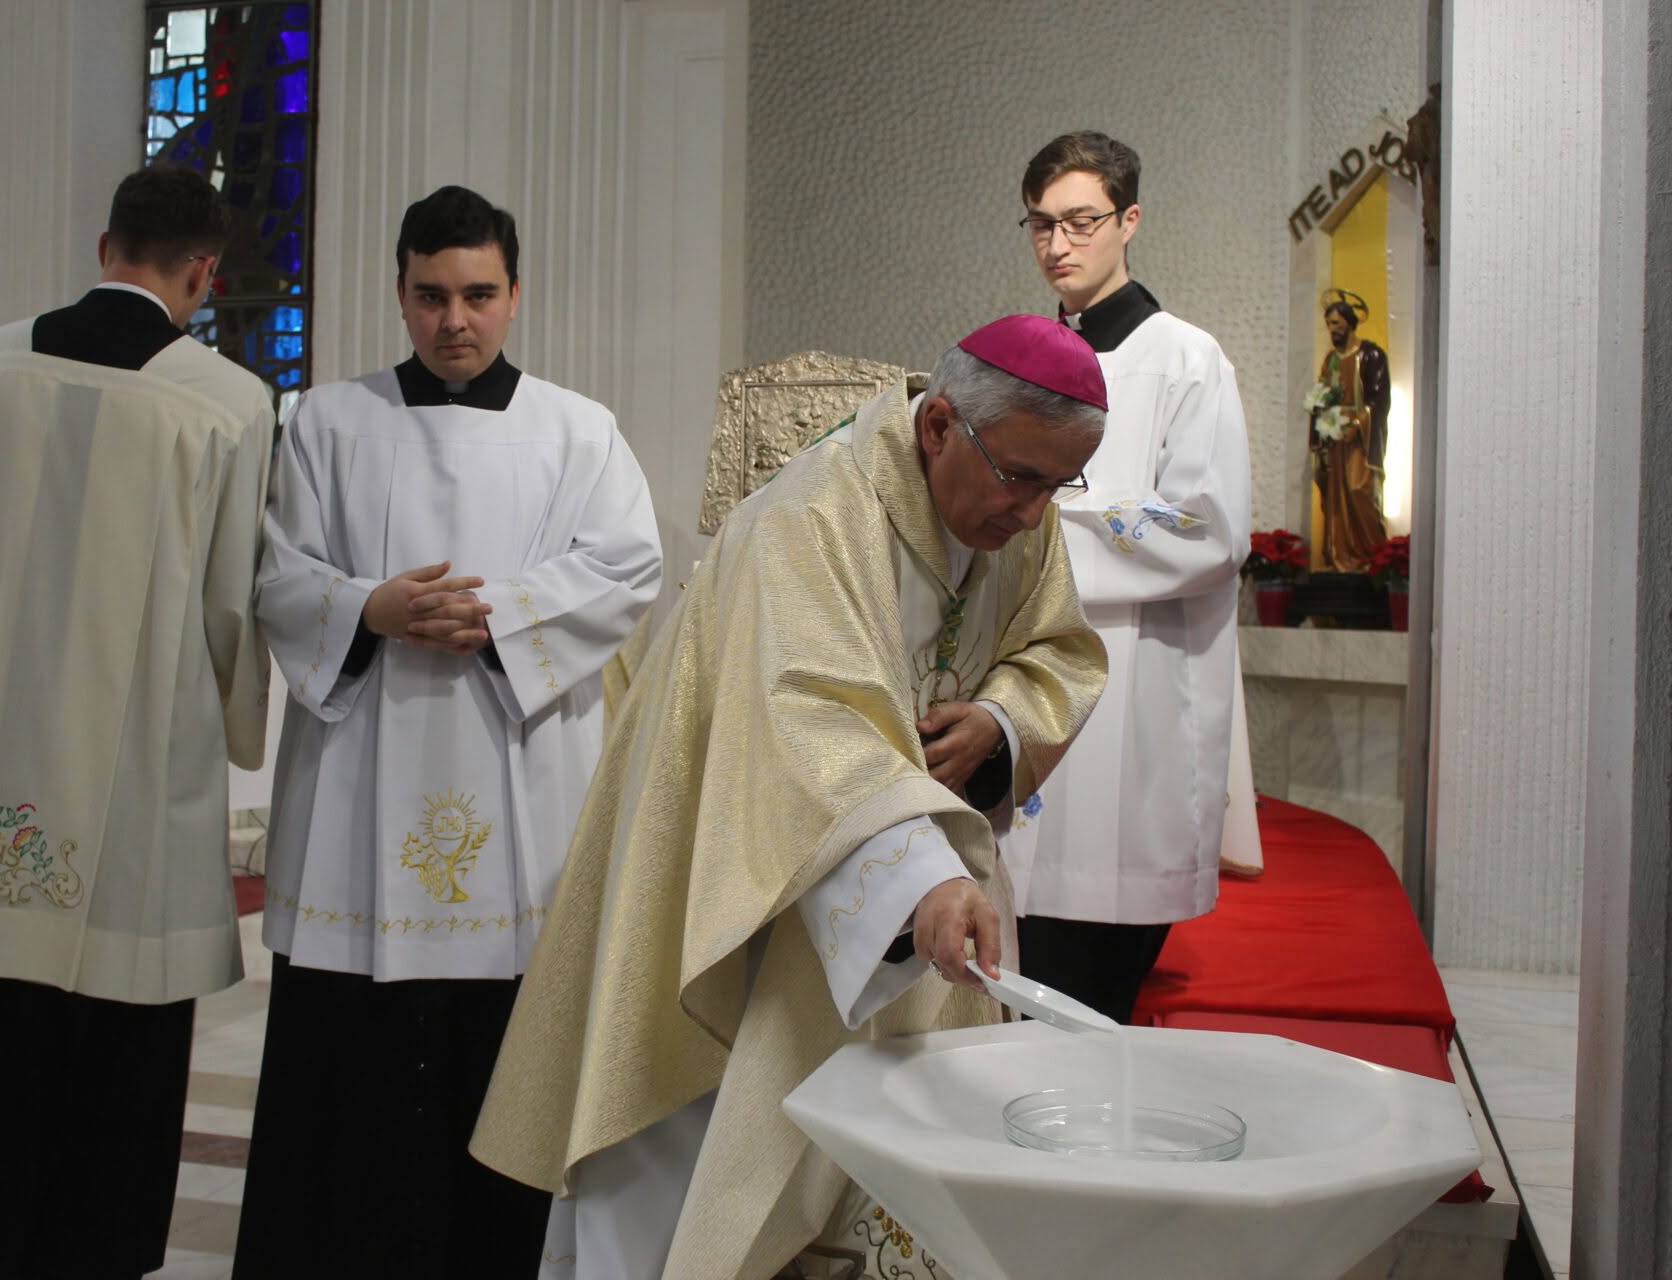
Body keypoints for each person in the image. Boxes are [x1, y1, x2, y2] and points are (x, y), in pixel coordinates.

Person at [471, 314, 1111, 1279]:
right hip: (748, 887)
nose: (1033, 514)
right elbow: (811, 719)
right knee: (704, 1157)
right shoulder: (811, 518)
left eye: (1060, 486)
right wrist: (926, 881)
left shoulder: (1020, 504)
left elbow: (1057, 647)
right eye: (1021, 478)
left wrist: (999, 723)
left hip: (899, 888)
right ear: (939, 425)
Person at [232, 184, 663, 1278]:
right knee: (352, 1070)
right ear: (400, 293)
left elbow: (629, 567)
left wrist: (501, 616)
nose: (454, 320)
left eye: (477, 294)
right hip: (359, 784)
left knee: (500, 1053)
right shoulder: (326, 422)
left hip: (521, 777)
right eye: (431, 296)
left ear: (515, 293)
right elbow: (277, 574)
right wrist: (370, 608)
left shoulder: (578, 429)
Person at [0, 165, 275, 1280]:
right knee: (112, 1041)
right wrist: (236, 725)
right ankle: (88, 1248)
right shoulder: (227, 401)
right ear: (204, 272)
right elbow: (231, 606)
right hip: (130, 775)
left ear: (104, 247)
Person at [997, 130, 1253, 1024]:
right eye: (1041, 225)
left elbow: (1209, 530)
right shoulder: (1023, 361)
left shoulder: (1187, 359)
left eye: (1080, 222)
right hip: (1029, 678)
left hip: (1133, 685)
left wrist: (1040, 513)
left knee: (1089, 984)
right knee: (1021, 969)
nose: (1057, 244)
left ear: (1129, 220)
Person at [1311, 293, 1390, 571]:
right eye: (1328, 324)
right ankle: (1341, 556)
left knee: (1359, 490)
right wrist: (1322, 425)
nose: (1332, 329)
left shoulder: (1371, 355)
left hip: (1359, 439)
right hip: (1335, 438)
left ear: (1349, 322)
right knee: (1335, 500)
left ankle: (1374, 557)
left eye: (1336, 323)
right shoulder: (1330, 360)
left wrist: (1357, 426)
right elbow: (1321, 396)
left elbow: (1379, 399)